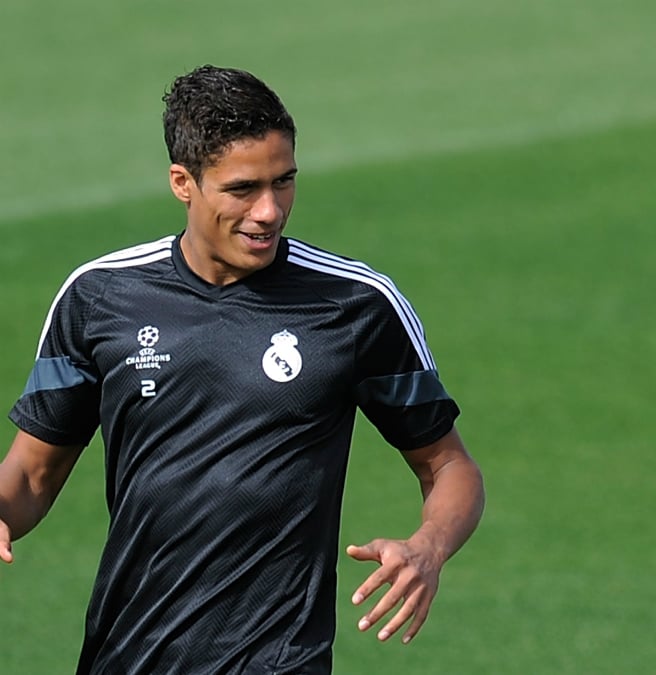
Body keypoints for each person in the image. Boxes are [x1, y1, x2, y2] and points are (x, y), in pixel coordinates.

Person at [0, 65, 485, 674]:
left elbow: (448, 465)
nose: (269, 211)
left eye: (284, 182)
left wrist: (428, 547)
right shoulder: (98, 298)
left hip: (278, 658)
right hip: (127, 653)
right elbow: (32, 477)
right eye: (242, 188)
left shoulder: (356, 304)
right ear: (183, 182)